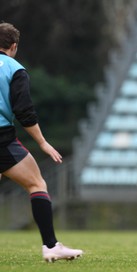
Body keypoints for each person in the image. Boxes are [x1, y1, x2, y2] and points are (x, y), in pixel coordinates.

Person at [0, 22, 83, 262]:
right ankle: (51, 245)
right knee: (37, 184)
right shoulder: (15, 69)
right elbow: (24, 111)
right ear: (13, 46)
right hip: (2, 138)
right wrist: (43, 143)